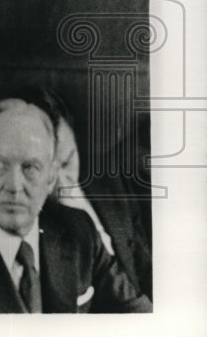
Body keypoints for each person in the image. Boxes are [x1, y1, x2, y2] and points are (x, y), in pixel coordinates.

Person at [0, 97, 151, 313]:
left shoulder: (79, 232)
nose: (14, 185)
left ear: (50, 178)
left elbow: (139, 320)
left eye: (30, 167)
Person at [38, 89, 153, 299]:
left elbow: (144, 262)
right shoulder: (28, 221)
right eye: (48, 173)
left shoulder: (109, 177)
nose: (64, 182)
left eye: (67, 162)